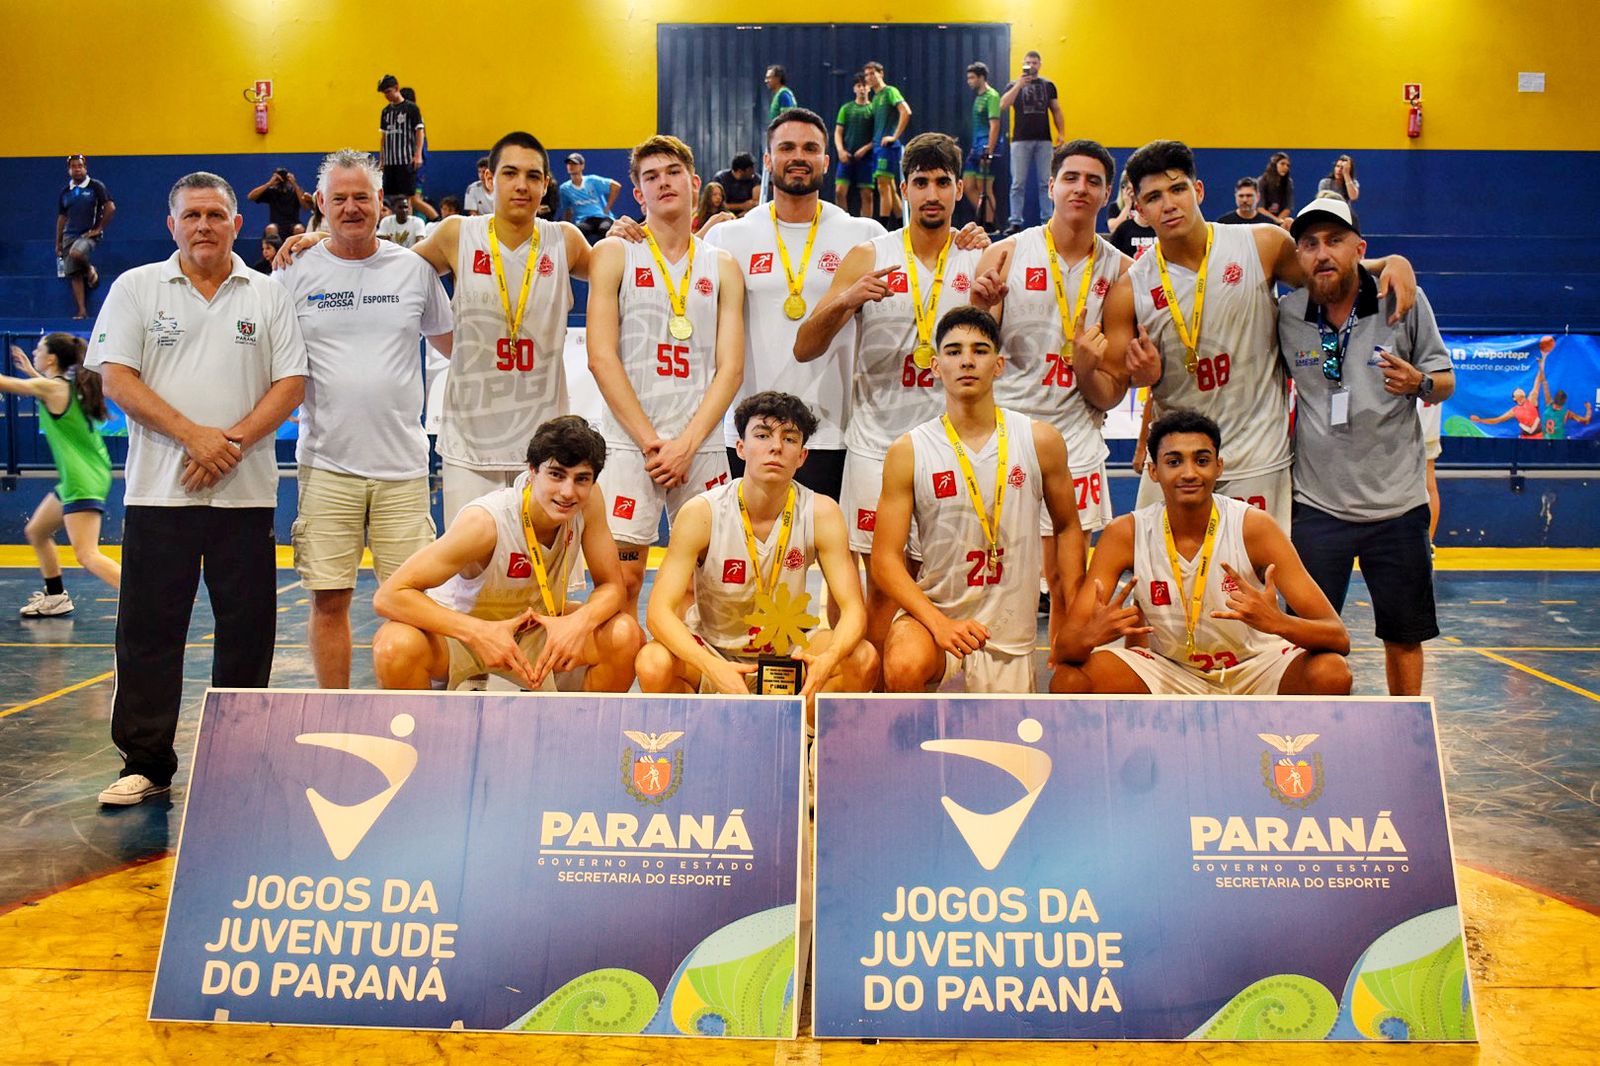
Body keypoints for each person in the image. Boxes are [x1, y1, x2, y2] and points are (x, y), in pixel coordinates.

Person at [86, 171, 307, 806]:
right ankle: (147, 763)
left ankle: (237, 758)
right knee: (150, 632)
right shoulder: (136, 288)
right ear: (171, 225)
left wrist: (228, 444)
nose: (203, 225)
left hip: (244, 494)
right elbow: (117, 380)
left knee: (248, 632)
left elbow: (290, 384)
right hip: (159, 495)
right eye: (192, 216)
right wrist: (195, 438)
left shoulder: (267, 295)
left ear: (238, 224)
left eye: (215, 214)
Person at [282, 131, 594, 525]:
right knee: (469, 574)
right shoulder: (456, 234)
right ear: (488, 180)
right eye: (510, 173)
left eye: (533, 176)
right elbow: (384, 267)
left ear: (546, 184)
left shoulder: (565, 240)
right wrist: (327, 240)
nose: (521, 184)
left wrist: (624, 235)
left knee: (541, 573)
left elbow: (621, 273)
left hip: (543, 440)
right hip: (470, 440)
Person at [1104, 139, 1416, 529]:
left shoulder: (1261, 244)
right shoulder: (1128, 289)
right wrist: (1141, 378)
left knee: (1254, 586)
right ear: (1140, 212)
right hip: (1177, 457)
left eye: (1178, 188)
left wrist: (1389, 262)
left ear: (1198, 191)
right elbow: (1111, 388)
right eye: (1153, 197)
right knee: (1165, 584)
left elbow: (1327, 276)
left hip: (1259, 458)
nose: (1169, 204)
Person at [275, 149, 454, 689]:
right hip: (327, 466)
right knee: (329, 599)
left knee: (414, 605)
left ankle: (425, 716)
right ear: (320, 206)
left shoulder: (415, 271)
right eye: (339, 199)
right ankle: (337, 711)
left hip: (402, 468)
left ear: (381, 202)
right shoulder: (292, 272)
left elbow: (457, 350)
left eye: (361, 197)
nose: (351, 208)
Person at [795, 132, 983, 648]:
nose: (932, 194)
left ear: (959, 189)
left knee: (923, 579)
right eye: (920, 182)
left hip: (945, 447)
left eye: (943, 183)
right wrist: (848, 298)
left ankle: (900, 691)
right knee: (859, 582)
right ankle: (854, 686)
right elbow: (805, 345)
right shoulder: (868, 256)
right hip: (875, 445)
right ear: (902, 190)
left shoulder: (979, 259)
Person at [1278, 196, 1454, 696]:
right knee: (1311, 640)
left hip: (1397, 506)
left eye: (1335, 241)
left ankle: (1406, 729)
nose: (1322, 253)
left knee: (1404, 637)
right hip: (1317, 507)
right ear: (1298, 256)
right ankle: (1307, 744)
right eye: (1309, 244)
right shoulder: (1288, 315)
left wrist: (1419, 382)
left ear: (1360, 248)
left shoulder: (1403, 300)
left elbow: (1445, 382)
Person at [1053, 409, 1352, 696]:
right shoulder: (1126, 533)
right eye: (1174, 462)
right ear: (1154, 470)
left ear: (1218, 467)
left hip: (1255, 666)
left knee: (1331, 672)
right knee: (1069, 679)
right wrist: (1090, 636)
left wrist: (1279, 623)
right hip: (1170, 670)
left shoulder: (1253, 527)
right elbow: (1065, 647)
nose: (1189, 473)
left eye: (1202, 460)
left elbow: (1336, 636)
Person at [872, 307, 1085, 693]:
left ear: (999, 364)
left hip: (1010, 634)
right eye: (953, 351)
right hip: (936, 622)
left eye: (980, 350)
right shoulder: (909, 450)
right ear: (935, 366)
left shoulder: (1040, 441)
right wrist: (938, 623)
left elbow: (1068, 526)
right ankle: (910, 750)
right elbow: (885, 559)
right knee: (904, 662)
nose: (967, 360)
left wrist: (1072, 607)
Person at [971, 139, 1132, 645]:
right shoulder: (1004, 255)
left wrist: (1086, 368)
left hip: (1077, 439)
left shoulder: (1123, 273)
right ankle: (988, 683)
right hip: (1007, 436)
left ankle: (1063, 679)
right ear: (1051, 186)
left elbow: (1109, 394)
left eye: (1092, 181)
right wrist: (986, 312)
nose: (1080, 188)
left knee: (1067, 582)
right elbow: (971, 365)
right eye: (1071, 178)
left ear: (1108, 193)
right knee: (994, 579)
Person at [586, 134, 746, 619]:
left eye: (672, 172)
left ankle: (697, 688)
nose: (663, 183)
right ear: (638, 194)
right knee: (620, 583)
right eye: (650, 177)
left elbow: (731, 368)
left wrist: (686, 444)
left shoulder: (724, 266)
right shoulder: (614, 254)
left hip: (701, 448)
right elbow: (600, 357)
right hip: (628, 446)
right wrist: (654, 443)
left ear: (695, 183)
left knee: (706, 586)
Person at [371, 417, 643, 692]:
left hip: (534, 628)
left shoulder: (589, 502)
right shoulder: (485, 524)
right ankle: (423, 733)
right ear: (532, 471)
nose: (567, 492)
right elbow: (390, 595)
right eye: (556, 474)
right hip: (464, 635)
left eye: (581, 479)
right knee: (394, 645)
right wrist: (477, 631)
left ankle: (577, 731)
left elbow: (612, 586)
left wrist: (577, 624)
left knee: (624, 635)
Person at [636, 392, 878, 697]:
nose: (776, 446)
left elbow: (853, 609)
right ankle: (698, 739)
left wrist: (828, 659)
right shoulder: (703, 512)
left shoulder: (822, 512)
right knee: (652, 662)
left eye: (789, 439)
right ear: (741, 448)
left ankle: (805, 737)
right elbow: (658, 612)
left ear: (802, 456)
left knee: (863, 658)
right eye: (762, 435)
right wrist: (712, 667)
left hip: (791, 656)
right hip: (714, 652)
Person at [702, 108, 887, 507]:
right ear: (768, 160)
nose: (798, 156)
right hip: (749, 433)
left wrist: (963, 240)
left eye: (810, 148)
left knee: (836, 557)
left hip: (833, 430)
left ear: (826, 160)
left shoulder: (865, 236)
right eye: (786, 147)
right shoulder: (728, 236)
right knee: (746, 557)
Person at [2, 334, 120, 616]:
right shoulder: (63, 386)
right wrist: (32, 372)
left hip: (82, 479)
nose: (34, 351)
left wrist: (29, 377)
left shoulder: (51, 387)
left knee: (86, 554)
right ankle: (56, 597)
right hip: (79, 477)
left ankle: (144, 601)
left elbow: (11, 385)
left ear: (52, 358)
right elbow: (38, 386)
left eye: (39, 349)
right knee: (37, 531)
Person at [998, 52, 1064, 234]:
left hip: (1044, 140)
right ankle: (1015, 221)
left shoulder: (1048, 85)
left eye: (1034, 62)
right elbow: (1003, 104)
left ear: (1040, 64)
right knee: (1018, 182)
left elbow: (1056, 110)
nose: (1031, 65)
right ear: (1023, 64)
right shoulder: (1013, 85)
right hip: (1020, 140)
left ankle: (1048, 220)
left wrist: (1061, 133)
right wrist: (1019, 85)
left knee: (1046, 182)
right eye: (1028, 62)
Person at [57, 155, 114, 319]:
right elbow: (61, 217)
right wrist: (58, 242)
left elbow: (110, 207)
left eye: (80, 166)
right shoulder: (65, 192)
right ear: (69, 170)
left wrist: (98, 228)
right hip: (69, 235)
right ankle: (82, 311)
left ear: (85, 168)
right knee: (74, 273)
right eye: (74, 166)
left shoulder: (95, 186)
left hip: (87, 234)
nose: (77, 169)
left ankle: (90, 270)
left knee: (77, 254)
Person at [376, 74, 437, 221]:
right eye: (385, 93)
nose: (387, 96)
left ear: (397, 89)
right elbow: (383, 137)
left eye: (388, 91)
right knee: (394, 198)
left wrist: (417, 156)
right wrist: (382, 160)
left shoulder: (412, 111)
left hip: (408, 162)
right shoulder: (386, 112)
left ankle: (436, 220)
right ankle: (399, 226)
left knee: (411, 199)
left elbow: (419, 133)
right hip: (392, 162)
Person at [862, 61, 911, 226]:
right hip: (877, 147)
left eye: (872, 73)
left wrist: (894, 136)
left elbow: (906, 111)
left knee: (884, 186)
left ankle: (882, 227)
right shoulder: (875, 98)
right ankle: (902, 225)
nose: (869, 77)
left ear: (881, 73)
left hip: (888, 147)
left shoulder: (890, 91)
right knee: (888, 187)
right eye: (866, 75)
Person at [963, 62, 1003, 228]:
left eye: (972, 77)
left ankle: (989, 225)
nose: (969, 81)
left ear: (981, 77)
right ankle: (983, 218)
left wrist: (989, 150)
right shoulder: (979, 97)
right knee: (967, 185)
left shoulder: (992, 95)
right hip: (975, 147)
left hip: (986, 146)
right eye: (968, 78)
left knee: (984, 187)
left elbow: (995, 124)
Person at [834, 75, 876, 216]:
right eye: (859, 86)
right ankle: (843, 222)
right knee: (839, 191)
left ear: (869, 88)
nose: (862, 89)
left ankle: (867, 227)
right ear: (854, 89)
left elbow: (878, 135)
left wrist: (865, 149)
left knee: (867, 195)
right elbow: (838, 132)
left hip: (867, 159)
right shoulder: (846, 109)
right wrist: (840, 151)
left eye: (864, 85)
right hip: (846, 157)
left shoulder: (874, 109)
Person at [558, 153, 621, 244]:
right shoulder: (564, 188)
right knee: (577, 232)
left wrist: (607, 207)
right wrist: (567, 225)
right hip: (585, 220)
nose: (571, 166)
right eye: (569, 164)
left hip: (603, 217)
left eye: (574, 164)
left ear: (582, 166)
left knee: (604, 229)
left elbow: (616, 186)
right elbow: (567, 209)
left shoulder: (592, 181)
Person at [1107, 169, 1155, 259]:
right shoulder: (1116, 207)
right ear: (1124, 188)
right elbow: (1113, 229)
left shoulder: (1148, 205)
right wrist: (1127, 206)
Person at [247, 167, 307, 237]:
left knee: (299, 229)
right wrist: (269, 183)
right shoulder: (272, 191)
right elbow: (250, 197)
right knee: (270, 228)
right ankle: (273, 247)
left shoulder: (296, 192)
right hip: (276, 224)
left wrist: (294, 184)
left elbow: (305, 207)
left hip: (293, 224)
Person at [1256, 152, 1294, 225]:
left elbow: (1288, 207)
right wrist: (1275, 220)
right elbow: (1260, 208)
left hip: (1280, 220)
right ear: (1274, 165)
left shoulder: (1288, 182)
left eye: (1288, 165)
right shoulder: (1262, 181)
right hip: (1262, 220)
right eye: (1282, 164)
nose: (1286, 167)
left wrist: (1279, 220)